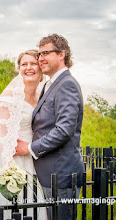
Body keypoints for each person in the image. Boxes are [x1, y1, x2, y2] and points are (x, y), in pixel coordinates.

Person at [15, 34, 85, 219]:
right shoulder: (50, 84)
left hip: (61, 176)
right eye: (39, 54)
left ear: (61, 55)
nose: (40, 59)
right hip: (48, 174)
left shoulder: (66, 84)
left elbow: (64, 130)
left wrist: (29, 148)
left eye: (46, 53)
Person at [0, 50, 47, 219]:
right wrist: (10, 173)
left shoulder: (41, 97)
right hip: (12, 160)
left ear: (41, 68)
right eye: (24, 64)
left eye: (33, 64)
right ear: (19, 69)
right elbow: (3, 141)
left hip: (34, 156)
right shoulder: (8, 99)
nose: (29, 67)